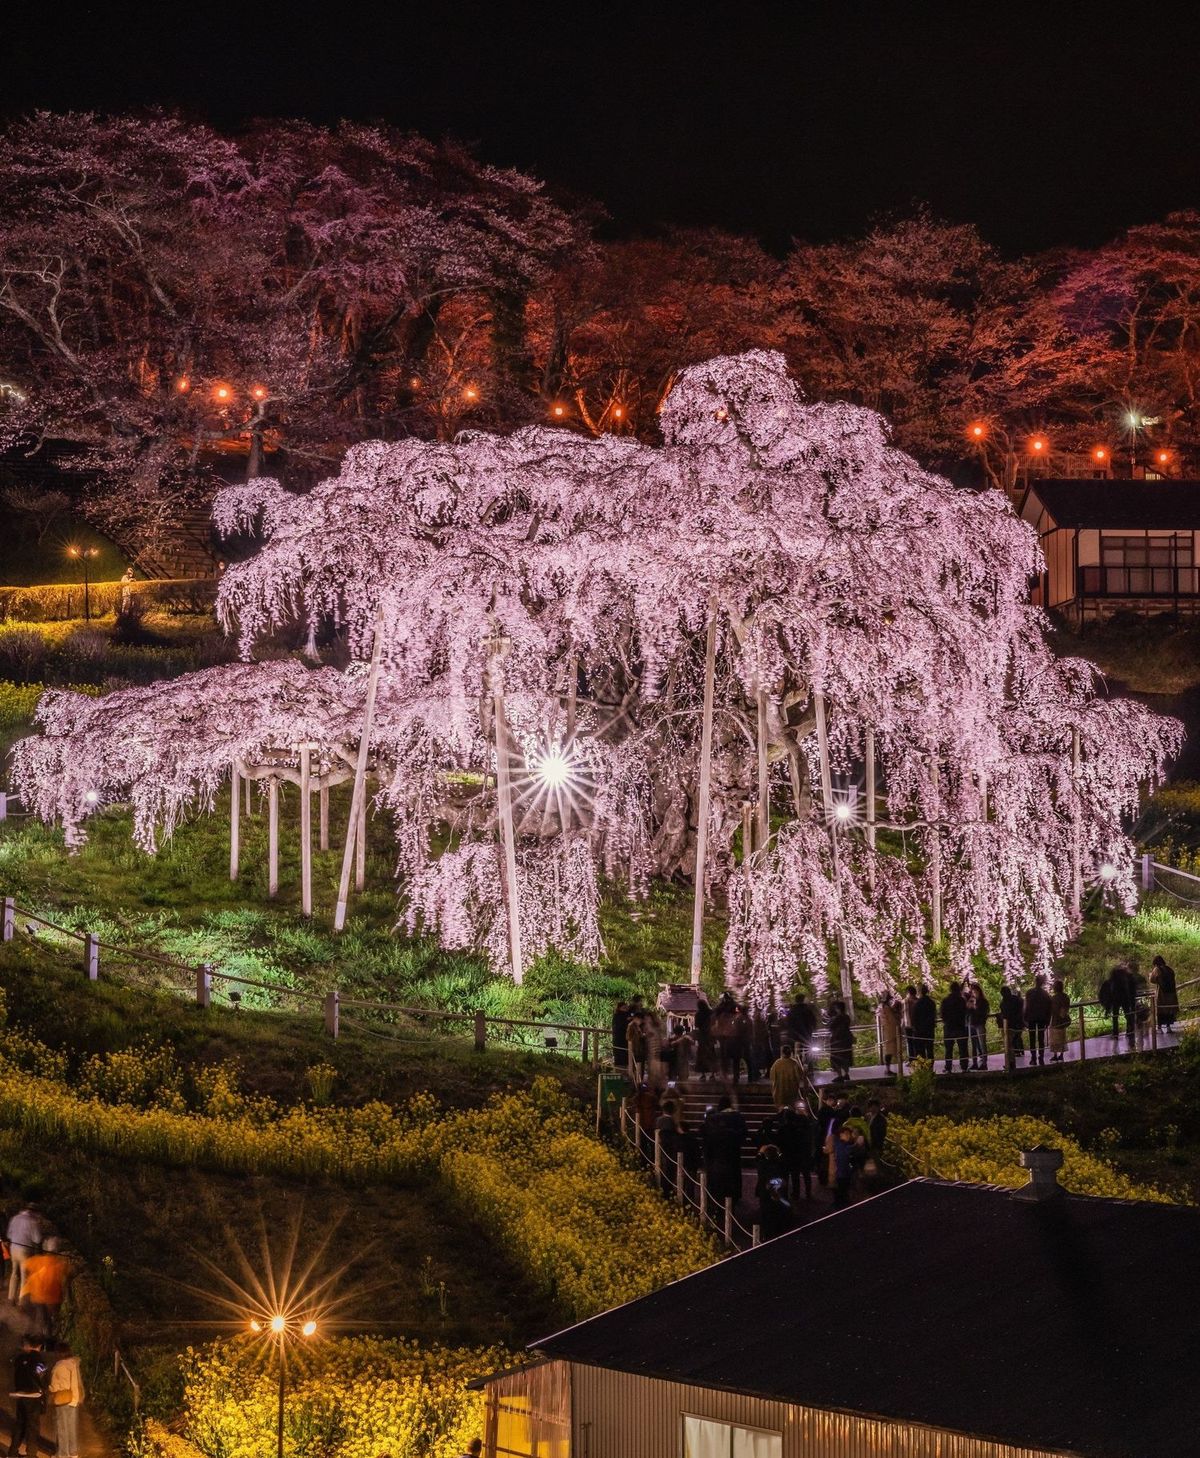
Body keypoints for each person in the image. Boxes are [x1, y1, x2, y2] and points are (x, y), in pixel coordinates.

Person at [702, 1096, 747, 1218]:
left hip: (716, 1157)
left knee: (717, 1184)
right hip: (733, 1155)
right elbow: (744, 1135)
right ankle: (732, 1204)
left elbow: (705, 1136)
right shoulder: (737, 1117)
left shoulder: (712, 1119)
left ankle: (717, 1208)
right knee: (733, 1181)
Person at [21, 1237, 69, 1340]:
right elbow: (66, 1276)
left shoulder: (38, 1260)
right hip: (52, 1299)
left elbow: (25, 1264)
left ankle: (34, 1335)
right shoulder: (59, 1265)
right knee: (49, 1318)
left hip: (37, 1296)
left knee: (41, 1316)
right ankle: (48, 1337)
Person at [8, 1334, 47, 1458]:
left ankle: (12, 1453)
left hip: (20, 1395)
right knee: (32, 1426)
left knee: (20, 1424)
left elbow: (15, 1370)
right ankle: (31, 1454)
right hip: (33, 1396)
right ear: (40, 1346)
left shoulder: (19, 1358)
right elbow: (42, 1377)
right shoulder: (39, 1360)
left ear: (28, 1345)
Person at [48, 1341, 85, 1458]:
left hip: (62, 1399)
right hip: (74, 1398)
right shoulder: (74, 1364)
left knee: (62, 1427)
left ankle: (63, 1454)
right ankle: (73, 1452)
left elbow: (54, 1386)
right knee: (71, 1427)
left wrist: (48, 1388)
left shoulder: (59, 1366)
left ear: (59, 1353)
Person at [6, 1204, 47, 1304]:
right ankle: (22, 1301)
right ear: (34, 1212)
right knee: (24, 1275)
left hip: (13, 1248)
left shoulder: (15, 1218)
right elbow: (37, 1239)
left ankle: (11, 1298)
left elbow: (9, 1235)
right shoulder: (33, 1222)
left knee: (14, 1272)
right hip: (24, 1250)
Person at [1100, 964, 1136, 1041]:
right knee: (1128, 1015)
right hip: (1125, 999)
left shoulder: (1113, 980)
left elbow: (1109, 992)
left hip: (1116, 999)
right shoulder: (1128, 979)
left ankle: (1115, 1033)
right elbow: (1132, 991)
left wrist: (1107, 1007)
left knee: (1115, 1016)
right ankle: (1130, 1031)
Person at [940, 979, 969, 1073]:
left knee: (948, 1049)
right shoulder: (961, 1000)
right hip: (960, 1026)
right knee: (963, 1048)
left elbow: (942, 1014)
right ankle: (964, 1067)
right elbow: (965, 1012)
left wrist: (946, 1021)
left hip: (949, 1027)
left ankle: (948, 1067)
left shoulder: (945, 1000)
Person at [655, 1099, 682, 1197]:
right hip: (670, 1150)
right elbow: (679, 1134)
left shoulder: (658, 1120)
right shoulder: (671, 1122)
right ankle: (668, 1191)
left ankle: (664, 1190)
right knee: (670, 1171)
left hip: (661, 1149)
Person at [1024, 973, 1053, 1067]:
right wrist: (1048, 1020)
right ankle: (1040, 1057)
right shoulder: (1045, 994)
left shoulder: (1029, 992)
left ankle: (1033, 1058)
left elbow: (1026, 1007)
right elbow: (1049, 1008)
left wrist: (1024, 1019)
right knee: (1041, 1039)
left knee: (1032, 1039)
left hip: (1032, 1018)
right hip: (1042, 1018)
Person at [831, 1124, 862, 1208]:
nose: (849, 1136)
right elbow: (848, 1151)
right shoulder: (841, 1145)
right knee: (843, 1193)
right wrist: (857, 1143)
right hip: (843, 1174)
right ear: (841, 1134)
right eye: (847, 1134)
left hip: (841, 1174)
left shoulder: (839, 1143)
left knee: (841, 1192)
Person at [785, 993, 817, 1065]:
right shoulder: (808, 1010)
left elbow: (788, 1023)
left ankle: (798, 1067)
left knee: (797, 1052)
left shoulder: (792, 1011)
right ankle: (808, 1066)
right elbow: (813, 1021)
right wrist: (812, 1029)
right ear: (803, 1000)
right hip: (806, 1035)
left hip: (795, 1036)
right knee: (808, 1051)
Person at [998, 982, 1025, 1066]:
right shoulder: (1017, 999)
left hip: (1010, 1025)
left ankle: (1011, 1063)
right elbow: (1022, 1008)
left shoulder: (1004, 1003)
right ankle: (1013, 1059)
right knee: (1013, 1042)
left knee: (1009, 1044)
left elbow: (1005, 1014)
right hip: (1018, 1023)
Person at [1150, 955, 1180, 1032]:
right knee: (1169, 1010)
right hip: (1171, 994)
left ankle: (1159, 1027)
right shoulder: (1169, 969)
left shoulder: (1157, 969)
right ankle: (1168, 1027)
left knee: (1161, 1010)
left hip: (1162, 994)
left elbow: (1152, 979)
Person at [966, 981, 991, 1071]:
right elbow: (968, 1012)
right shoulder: (971, 1000)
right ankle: (974, 1063)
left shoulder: (983, 1001)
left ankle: (984, 1063)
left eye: (975, 991)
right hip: (972, 1023)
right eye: (972, 992)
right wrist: (969, 1007)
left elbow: (984, 1013)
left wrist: (974, 1008)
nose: (974, 993)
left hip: (980, 1024)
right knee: (973, 1045)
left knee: (982, 1044)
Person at [827, 1000, 854, 1083]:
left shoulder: (836, 1018)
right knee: (846, 1057)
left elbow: (830, 1027)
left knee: (836, 1057)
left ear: (837, 1008)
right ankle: (846, 1074)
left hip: (837, 1040)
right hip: (846, 1039)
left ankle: (840, 1076)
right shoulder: (847, 1017)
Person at [769, 1044, 802, 1109]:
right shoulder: (794, 1063)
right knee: (792, 1109)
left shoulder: (777, 1063)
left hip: (780, 1091)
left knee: (781, 1109)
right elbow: (799, 1076)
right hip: (792, 1091)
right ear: (790, 1053)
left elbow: (772, 1077)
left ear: (782, 1052)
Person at [1048, 977, 1071, 1063]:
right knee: (1062, 1037)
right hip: (1063, 1021)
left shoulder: (1053, 999)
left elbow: (1051, 1010)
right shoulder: (1066, 997)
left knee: (1054, 1039)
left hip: (1055, 1021)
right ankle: (1061, 1054)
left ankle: (1055, 1055)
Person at [911, 984, 937, 1062]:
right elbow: (933, 1015)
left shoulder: (917, 1004)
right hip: (929, 1029)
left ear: (920, 992)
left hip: (919, 1030)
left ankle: (922, 1067)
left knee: (920, 1049)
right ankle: (930, 1066)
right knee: (930, 1049)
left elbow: (914, 1017)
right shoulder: (932, 1003)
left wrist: (915, 1027)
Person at [877, 993, 900, 1075]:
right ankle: (888, 1069)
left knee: (888, 1050)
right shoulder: (886, 1008)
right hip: (890, 1031)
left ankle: (888, 1069)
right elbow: (893, 1020)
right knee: (889, 1051)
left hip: (887, 1030)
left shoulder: (882, 1007)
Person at [611, 999, 630, 1071]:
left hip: (623, 1041)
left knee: (624, 1058)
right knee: (620, 1058)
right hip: (620, 1040)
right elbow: (620, 1027)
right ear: (619, 1008)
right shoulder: (618, 1017)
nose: (625, 1010)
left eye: (626, 1008)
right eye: (623, 1008)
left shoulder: (621, 1016)